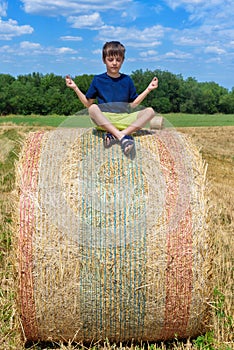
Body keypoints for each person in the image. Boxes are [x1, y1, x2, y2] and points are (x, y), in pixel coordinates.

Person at [65, 41, 158, 155]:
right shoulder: (98, 80)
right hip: (105, 119)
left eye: (118, 60)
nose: (114, 63)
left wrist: (148, 89)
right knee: (93, 108)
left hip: (124, 119)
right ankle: (123, 137)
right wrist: (75, 88)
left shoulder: (127, 80)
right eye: (110, 60)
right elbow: (88, 104)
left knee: (150, 111)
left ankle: (119, 135)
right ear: (104, 60)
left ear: (123, 61)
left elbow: (132, 105)